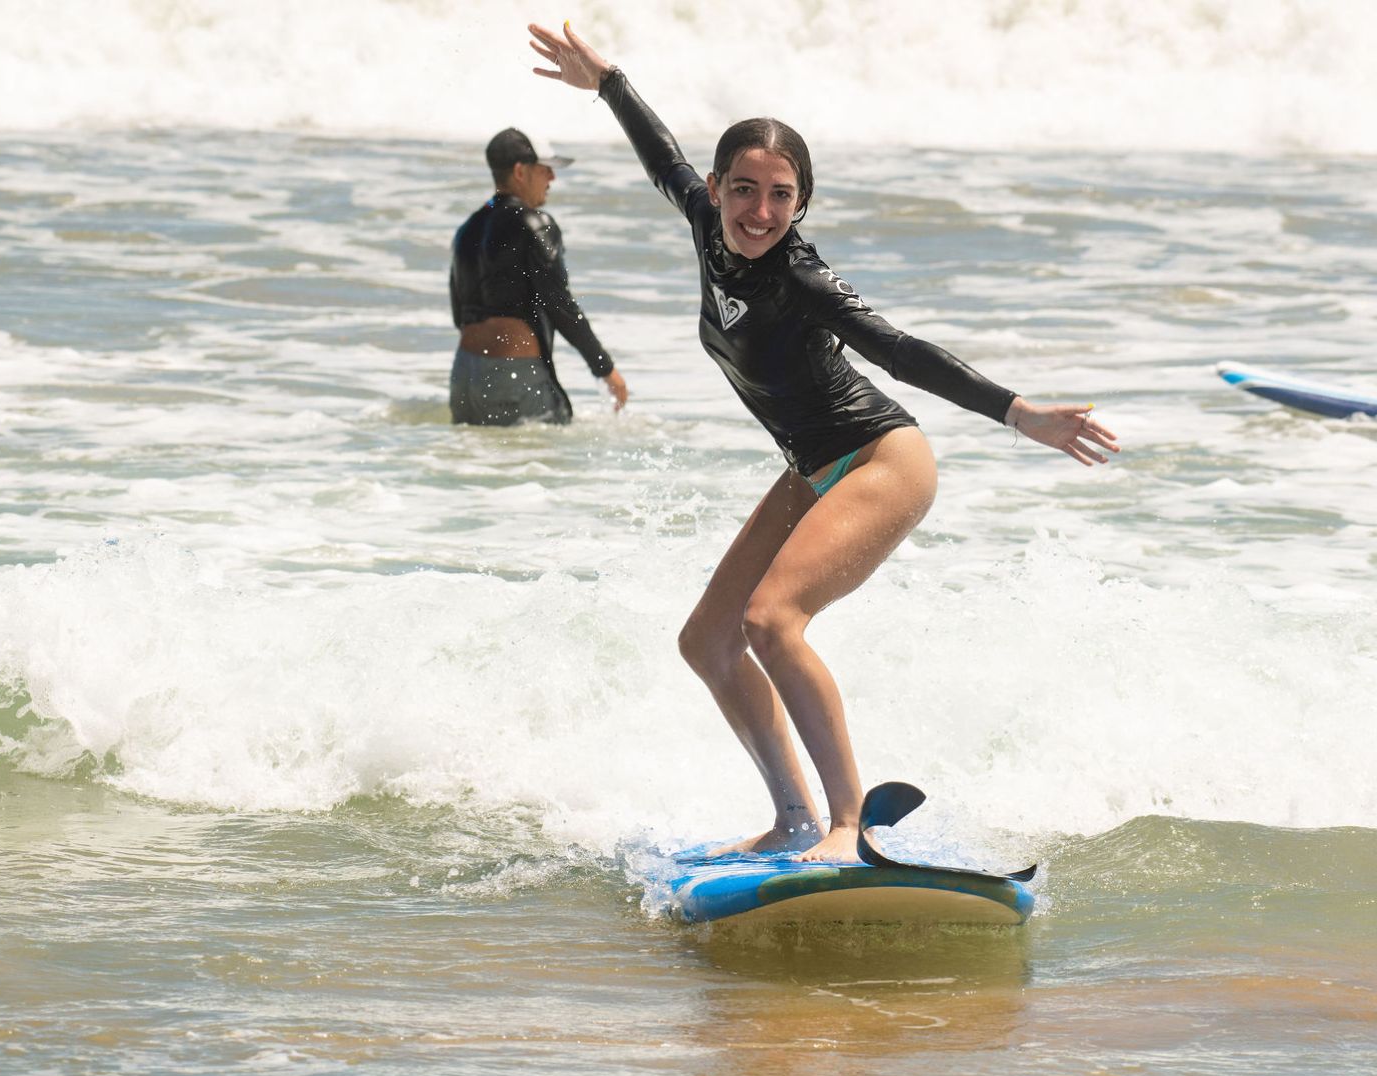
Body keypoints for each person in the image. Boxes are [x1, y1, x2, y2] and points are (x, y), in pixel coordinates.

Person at [529, 21, 1120, 863]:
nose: (759, 211)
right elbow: (659, 154)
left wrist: (1019, 413)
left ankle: (848, 824)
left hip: (883, 456)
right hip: (811, 468)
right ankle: (795, 818)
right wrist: (608, 80)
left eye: (779, 195)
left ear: (800, 203)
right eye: (743, 189)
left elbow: (897, 349)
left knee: (772, 620)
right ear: (716, 187)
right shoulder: (705, 222)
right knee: (707, 640)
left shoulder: (799, 274)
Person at [449, 126, 629, 425]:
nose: (552, 178)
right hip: (515, 376)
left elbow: (461, 315)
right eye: (546, 169)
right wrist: (605, 370)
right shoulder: (535, 223)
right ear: (521, 171)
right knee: (542, 466)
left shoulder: (467, 230)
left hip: (464, 377)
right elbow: (560, 304)